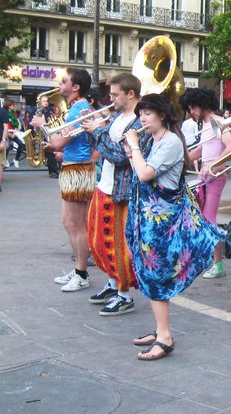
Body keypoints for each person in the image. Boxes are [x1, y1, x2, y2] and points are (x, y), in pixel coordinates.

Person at [123, 93, 225, 360]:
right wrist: (132, 149)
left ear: (162, 115)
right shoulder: (153, 140)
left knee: (157, 273)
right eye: (140, 113)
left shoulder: (169, 142)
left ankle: (165, 336)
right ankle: (159, 329)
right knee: (147, 271)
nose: (142, 118)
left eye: (147, 113)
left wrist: (134, 147)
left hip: (162, 222)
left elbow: (145, 174)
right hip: (148, 217)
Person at [79, 73, 144, 315]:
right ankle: (112, 282)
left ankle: (124, 294)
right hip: (104, 185)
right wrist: (92, 128)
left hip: (121, 191)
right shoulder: (118, 115)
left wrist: (98, 132)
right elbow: (104, 147)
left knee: (116, 244)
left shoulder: (138, 122)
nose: (111, 99)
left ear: (130, 94)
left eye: (115, 94)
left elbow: (120, 156)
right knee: (97, 241)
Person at [32, 68, 97, 292]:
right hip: (74, 167)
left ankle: (81, 273)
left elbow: (60, 141)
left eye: (65, 80)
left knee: (75, 224)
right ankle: (79, 269)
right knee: (69, 223)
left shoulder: (79, 110)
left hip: (78, 170)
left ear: (76, 87)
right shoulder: (77, 108)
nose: (60, 83)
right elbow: (68, 143)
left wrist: (43, 125)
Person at [182, 88, 231, 278]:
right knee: (202, 219)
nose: (192, 112)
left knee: (209, 221)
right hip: (207, 174)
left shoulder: (216, 121)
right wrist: (182, 157)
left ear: (202, 105)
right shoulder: (206, 123)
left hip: (215, 175)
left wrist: (213, 164)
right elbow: (202, 149)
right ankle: (208, 259)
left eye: (193, 107)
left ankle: (217, 263)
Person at [34, 95, 60, 178]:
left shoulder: (50, 111)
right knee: (49, 153)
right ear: (40, 102)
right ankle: (53, 170)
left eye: (47, 101)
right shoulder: (35, 111)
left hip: (50, 133)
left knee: (51, 153)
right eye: (44, 101)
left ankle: (54, 170)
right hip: (40, 134)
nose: (46, 103)